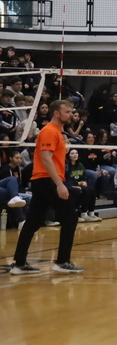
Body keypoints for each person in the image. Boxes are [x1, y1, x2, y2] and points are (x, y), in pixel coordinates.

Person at [8, 100, 84, 275]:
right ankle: (62, 261)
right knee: (70, 218)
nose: (71, 114)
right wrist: (59, 184)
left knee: (33, 222)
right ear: (56, 113)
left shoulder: (57, 132)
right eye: (67, 111)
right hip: (46, 180)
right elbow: (46, 159)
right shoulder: (49, 131)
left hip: (43, 180)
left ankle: (19, 264)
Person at [67, 149, 101, 223]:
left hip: (79, 184)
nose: (75, 155)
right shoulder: (67, 166)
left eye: (76, 153)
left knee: (91, 189)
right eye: (72, 153)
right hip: (71, 185)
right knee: (84, 190)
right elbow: (69, 179)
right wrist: (80, 183)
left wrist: (84, 181)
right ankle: (82, 214)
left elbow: (84, 176)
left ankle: (91, 213)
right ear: (68, 155)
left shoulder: (80, 165)